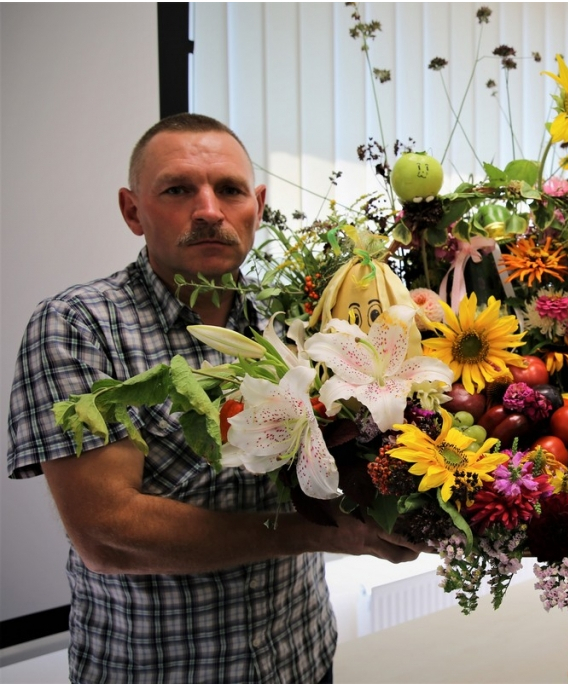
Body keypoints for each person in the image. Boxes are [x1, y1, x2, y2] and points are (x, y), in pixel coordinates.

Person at [6, 113, 425, 683]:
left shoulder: (295, 320)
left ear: (257, 206)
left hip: (299, 655)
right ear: (133, 211)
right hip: (156, 670)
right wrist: (319, 532)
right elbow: (109, 535)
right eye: (178, 189)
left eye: (228, 190)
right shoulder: (78, 326)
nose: (209, 210)